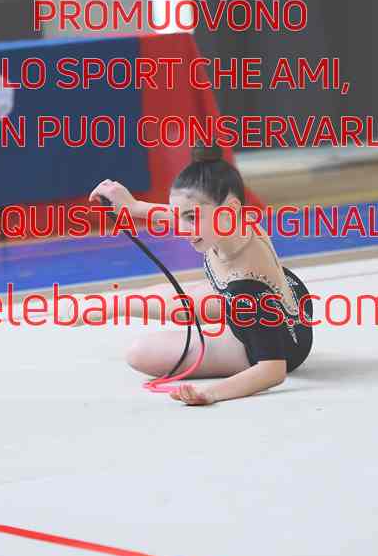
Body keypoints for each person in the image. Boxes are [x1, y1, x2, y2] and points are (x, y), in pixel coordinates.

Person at [86, 142, 313, 406]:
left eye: (191, 218)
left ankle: (111, 305)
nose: (182, 228)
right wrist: (134, 206)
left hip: (284, 340)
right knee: (185, 302)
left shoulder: (247, 286)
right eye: (181, 216)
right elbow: (185, 212)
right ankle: (111, 304)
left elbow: (272, 370)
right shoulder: (232, 222)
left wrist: (210, 393)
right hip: (283, 299)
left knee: (141, 353)